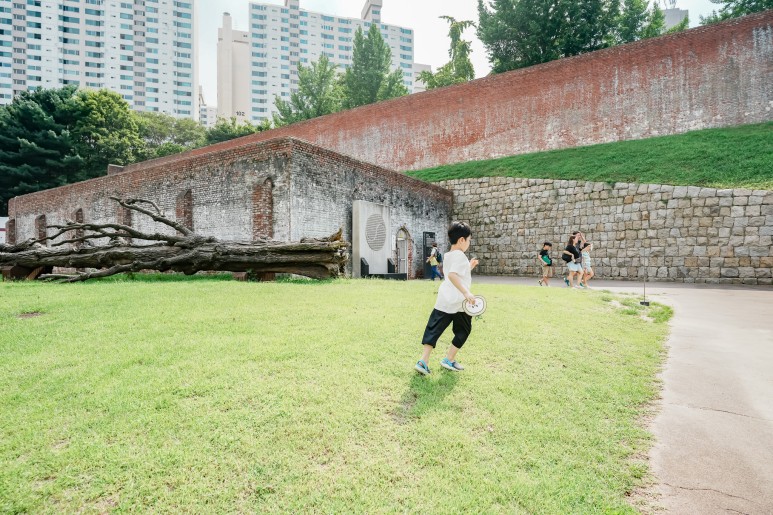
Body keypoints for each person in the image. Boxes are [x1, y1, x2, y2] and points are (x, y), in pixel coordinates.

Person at [416, 222, 479, 375]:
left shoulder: (449, 255)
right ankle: (448, 359)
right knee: (464, 330)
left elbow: (454, 272)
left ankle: (423, 361)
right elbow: (452, 275)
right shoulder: (459, 256)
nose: (469, 244)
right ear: (462, 240)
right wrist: (466, 293)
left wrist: (468, 266)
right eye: (469, 240)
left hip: (445, 300)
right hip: (459, 302)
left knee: (434, 329)